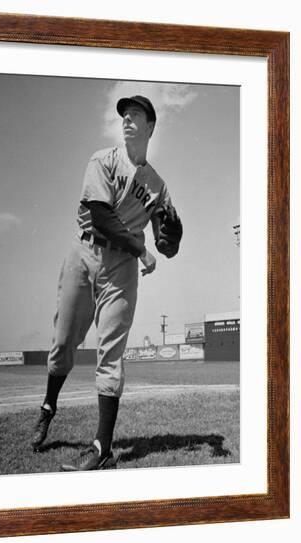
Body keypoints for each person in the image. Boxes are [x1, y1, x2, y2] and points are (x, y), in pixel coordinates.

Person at [31, 95, 183, 471]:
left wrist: (173, 236)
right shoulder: (103, 159)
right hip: (84, 254)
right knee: (64, 343)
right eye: (125, 115)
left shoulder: (158, 186)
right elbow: (99, 216)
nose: (128, 119)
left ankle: (102, 448)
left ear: (150, 127)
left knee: (110, 352)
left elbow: (166, 246)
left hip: (122, 269)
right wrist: (141, 248)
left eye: (137, 115)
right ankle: (48, 408)